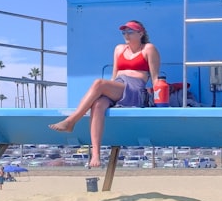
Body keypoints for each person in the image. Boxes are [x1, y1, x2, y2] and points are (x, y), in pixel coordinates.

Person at [49, 20, 160, 167]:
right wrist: (107, 92)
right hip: (119, 85)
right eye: (124, 32)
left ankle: (71, 120)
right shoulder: (119, 49)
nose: (126, 35)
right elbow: (114, 76)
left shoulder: (148, 48)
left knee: (98, 83)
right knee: (98, 104)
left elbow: (155, 77)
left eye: (130, 32)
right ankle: (96, 155)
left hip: (134, 89)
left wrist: (158, 99)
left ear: (141, 33)